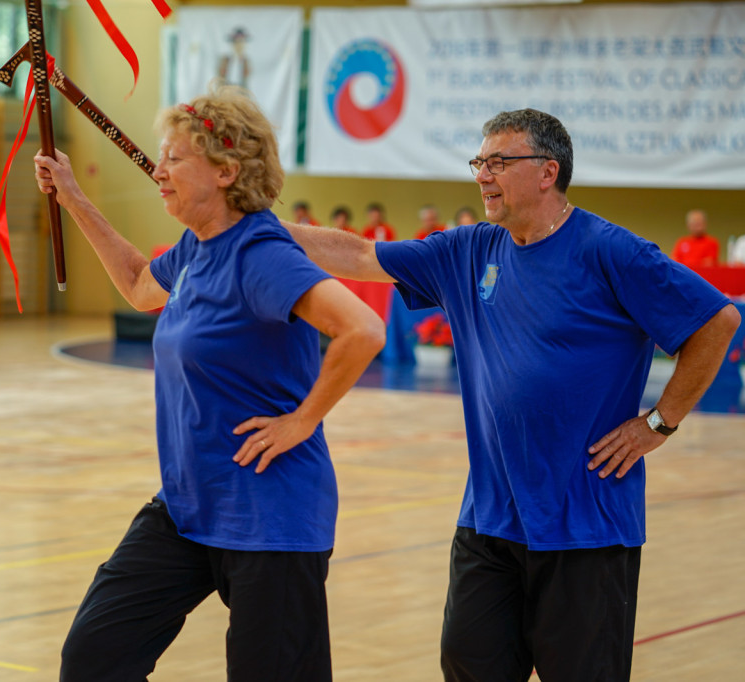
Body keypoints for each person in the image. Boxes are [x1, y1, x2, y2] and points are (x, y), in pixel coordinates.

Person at [284, 108, 740, 682]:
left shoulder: (612, 250)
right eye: (479, 161)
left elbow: (717, 321)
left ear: (548, 172)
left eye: (499, 162)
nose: (482, 175)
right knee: (468, 666)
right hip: (489, 522)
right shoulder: (467, 251)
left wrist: (658, 424)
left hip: (587, 528)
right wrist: (252, 226)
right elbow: (355, 255)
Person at [34, 85, 385, 682]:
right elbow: (139, 285)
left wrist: (302, 420)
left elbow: (363, 329)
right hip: (188, 508)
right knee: (95, 657)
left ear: (226, 172)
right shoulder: (197, 249)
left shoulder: (261, 255)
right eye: (160, 157)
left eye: (173, 158)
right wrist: (72, 196)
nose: (158, 171)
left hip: (270, 520)